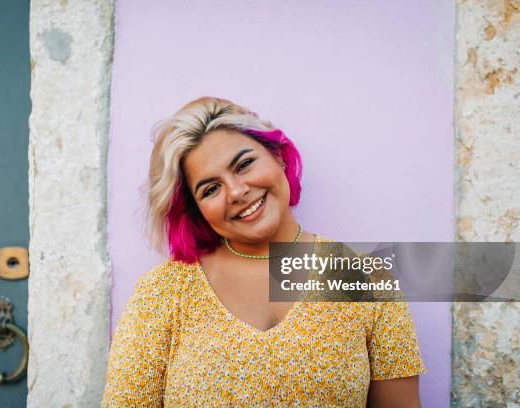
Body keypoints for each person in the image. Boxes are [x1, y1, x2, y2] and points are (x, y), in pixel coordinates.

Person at [100, 97, 426, 407]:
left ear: (278, 156)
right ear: (198, 211)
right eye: (211, 188)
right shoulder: (161, 294)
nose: (237, 191)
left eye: (244, 165)